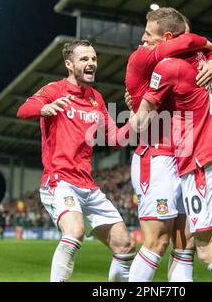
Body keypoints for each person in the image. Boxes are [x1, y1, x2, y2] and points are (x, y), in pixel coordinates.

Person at [130, 9, 212, 282]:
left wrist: (130, 109)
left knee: (210, 252)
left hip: (200, 161)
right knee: (189, 246)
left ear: (168, 38)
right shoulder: (202, 58)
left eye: (148, 34)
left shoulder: (167, 67)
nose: (142, 39)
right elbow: (209, 47)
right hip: (210, 155)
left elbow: (140, 121)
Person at [17, 39, 136, 282]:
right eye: (85, 59)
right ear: (69, 64)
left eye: (93, 58)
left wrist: (134, 119)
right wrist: (45, 108)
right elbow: (23, 109)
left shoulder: (96, 99)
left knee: (125, 246)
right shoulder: (54, 90)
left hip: (88, 187)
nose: (91, 63)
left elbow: (114, 139)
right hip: (59, 181)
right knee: (74, 231)